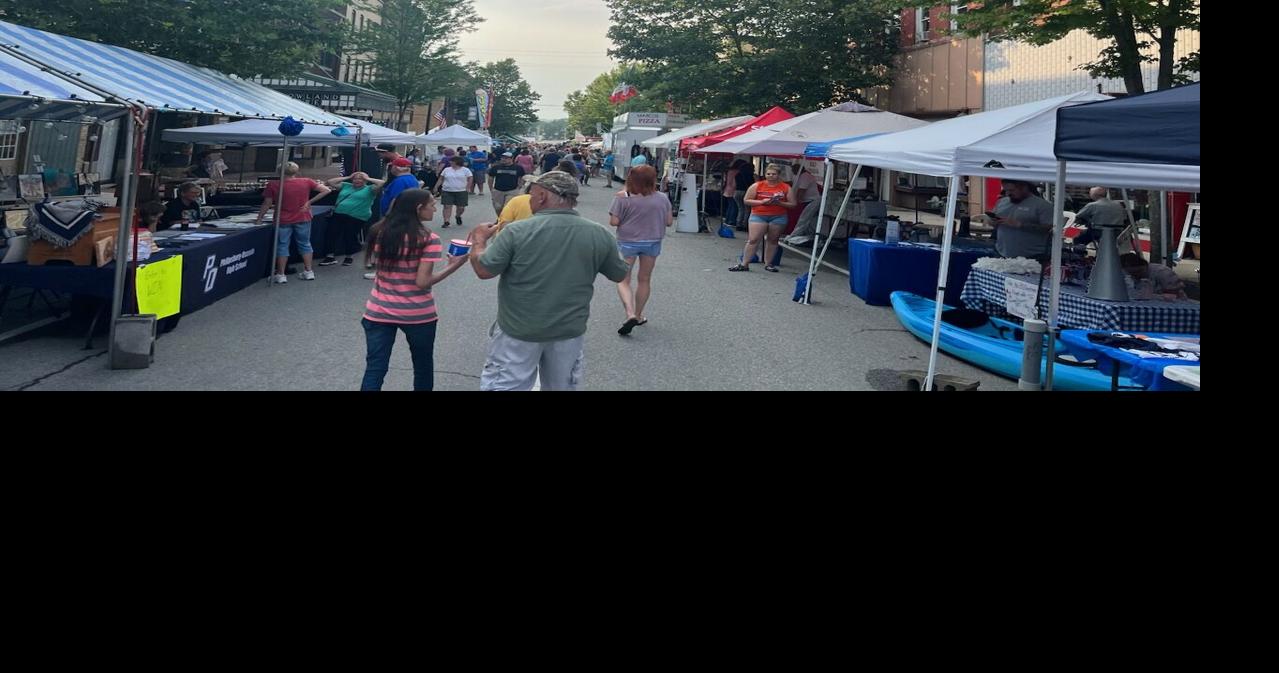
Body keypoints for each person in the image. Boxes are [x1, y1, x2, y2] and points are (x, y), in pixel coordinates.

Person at [467, 171, 630, 391]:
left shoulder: (516, 231)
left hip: (519, 328)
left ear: (542, 196)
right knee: (561, 386)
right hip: (568, 329)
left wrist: (478, 240)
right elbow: (619, 274)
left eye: (531, 194)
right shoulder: (599, 234)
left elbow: (484, 270)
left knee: (507, 384)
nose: (530, 199)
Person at [360, 189, 469, 391]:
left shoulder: (379, 231)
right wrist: (455, 264)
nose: (435, 209)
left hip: (378, 310)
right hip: (417, 314)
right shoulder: (428, 239)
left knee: (375, 368)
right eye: (432, 205)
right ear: (419, 208)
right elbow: (422, 282)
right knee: (422, 366)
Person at [608, 165, 672, 336]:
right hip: (652, 241)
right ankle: (639, 314)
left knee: (623, 279)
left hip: (628, 241)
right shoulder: (662, 198)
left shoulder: (622, 197)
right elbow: (669, 222)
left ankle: (629, 314)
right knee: (644, 279)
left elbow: (614, 222)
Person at [256, 162, 331, 283]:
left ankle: (281, 274)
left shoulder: (274, 184)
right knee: (305, 243)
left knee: (282, 245)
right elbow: (326, 190)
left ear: (279, 171)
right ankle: (308, 271)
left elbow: (267, 203)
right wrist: (309, 202)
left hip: (283, 218)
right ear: (296, 171)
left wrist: (260, 217)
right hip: (303, 216)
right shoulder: (306, 181)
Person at [729, 163, 795, 272]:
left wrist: (779, 203)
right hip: (759, 215)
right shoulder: (757, 185)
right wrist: (761, 202)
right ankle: (744, 264)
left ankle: (768, 264)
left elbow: (793, 204)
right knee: (753, 239)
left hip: (778, 216)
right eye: (768, 174)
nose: (770, 176)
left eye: (773, 174)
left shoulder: (785, 187)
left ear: (778, 175)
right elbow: (747, 200)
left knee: (773, 240)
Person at [320, 171, 383, 267]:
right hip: (339, 214)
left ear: (365, 180)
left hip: (357, 216)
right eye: (355, 178)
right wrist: (348, 177)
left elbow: (382, 183)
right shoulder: (346, 185)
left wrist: (368, 178)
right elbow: (330, 182)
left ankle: (349, 256)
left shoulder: (370, 189)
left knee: (350, 236)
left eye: (360, 179)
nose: (357, 180)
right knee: (331, 234)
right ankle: (330, 256)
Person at [990, 178, 1055, 260]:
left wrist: (1021, 225)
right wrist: (993, 222)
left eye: (1011, 190)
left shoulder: (1042, 205)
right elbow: (994, 221)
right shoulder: (1001, 202)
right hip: (1001, 252)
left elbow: (1048, 229)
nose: (1008, 193)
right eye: (1006, 190)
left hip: (1032, 256)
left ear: (1024, 188)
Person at [1120, 253, 1187, 300]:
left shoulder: (1163, 272)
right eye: (1130, 273)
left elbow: (1176, 294)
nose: (1135, 275)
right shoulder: (1127, 275)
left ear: (1144, 265)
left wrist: (1155, 296)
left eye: (1137, 272)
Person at [436, 155, 474, 228]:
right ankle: (446, 221)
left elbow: (470, 178)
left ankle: (458, 215)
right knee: (447, 206)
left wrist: (468, 187)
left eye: (452, 161)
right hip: (447, 190)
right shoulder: (446, 170)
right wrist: (436, 187)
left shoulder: (465, 170)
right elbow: (441, 179)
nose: (450, 162)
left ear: (457, 162)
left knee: (461, 207)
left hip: (461, 190)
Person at [731, 159, 755, 231]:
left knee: (740, 208)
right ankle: (745, 225)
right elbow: (753, 185)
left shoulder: (737, 175)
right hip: (746, 192)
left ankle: (738, 224)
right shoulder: (751, 176)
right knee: (747, 209)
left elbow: (734, 184)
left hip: (737, 192)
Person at [721, 162, 740, 231]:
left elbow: (725, 180)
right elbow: (735, 183)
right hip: (733, 190)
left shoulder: (729, 171)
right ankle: (731, 220)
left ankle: (727, 219)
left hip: (727, 189)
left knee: (730, 206)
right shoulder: (737, 172)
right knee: (734, 206)